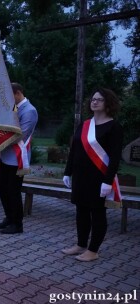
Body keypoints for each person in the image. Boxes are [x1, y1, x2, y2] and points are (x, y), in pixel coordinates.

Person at [61, 88, 123, 262]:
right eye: (93, 99)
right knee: (81, 210)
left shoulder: (114, 127)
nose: (94, 102)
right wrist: (68, 172)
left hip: (99, 177)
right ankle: (81, 244)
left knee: (97, 213)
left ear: (108, 103)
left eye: (100, 100)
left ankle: (93, 250)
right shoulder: (85, 125)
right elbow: (74, 150)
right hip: (80, 176)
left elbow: (115, 157)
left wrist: (108, 181)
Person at [0, 83, 38, 234]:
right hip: (7, 156)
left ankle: (17, 224)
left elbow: (20, 134)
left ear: (18, 93)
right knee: (1, 187)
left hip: (17, 157)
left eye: (9, 96)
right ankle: (9, 217)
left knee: (13, 191)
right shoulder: (14, 108)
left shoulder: (29, 111)